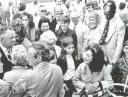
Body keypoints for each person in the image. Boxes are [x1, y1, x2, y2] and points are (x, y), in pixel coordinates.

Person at [0, 41, 65, 97]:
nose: (27, 58)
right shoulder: (57, 68)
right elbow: (62, 92)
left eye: (29, 55)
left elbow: (11, 90)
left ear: (39, 58)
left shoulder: (29, 75)